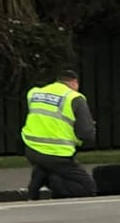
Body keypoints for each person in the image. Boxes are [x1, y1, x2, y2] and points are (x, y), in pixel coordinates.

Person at [22, 69, 97, 200]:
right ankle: (52, 184)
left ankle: (35, 186)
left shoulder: (35, 93)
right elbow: (86, 133)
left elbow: (47, 120)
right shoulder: (75, 98)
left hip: (31, 149)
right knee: (88, 187)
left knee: (48, 166)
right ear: (74, 83)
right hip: (57, 154)